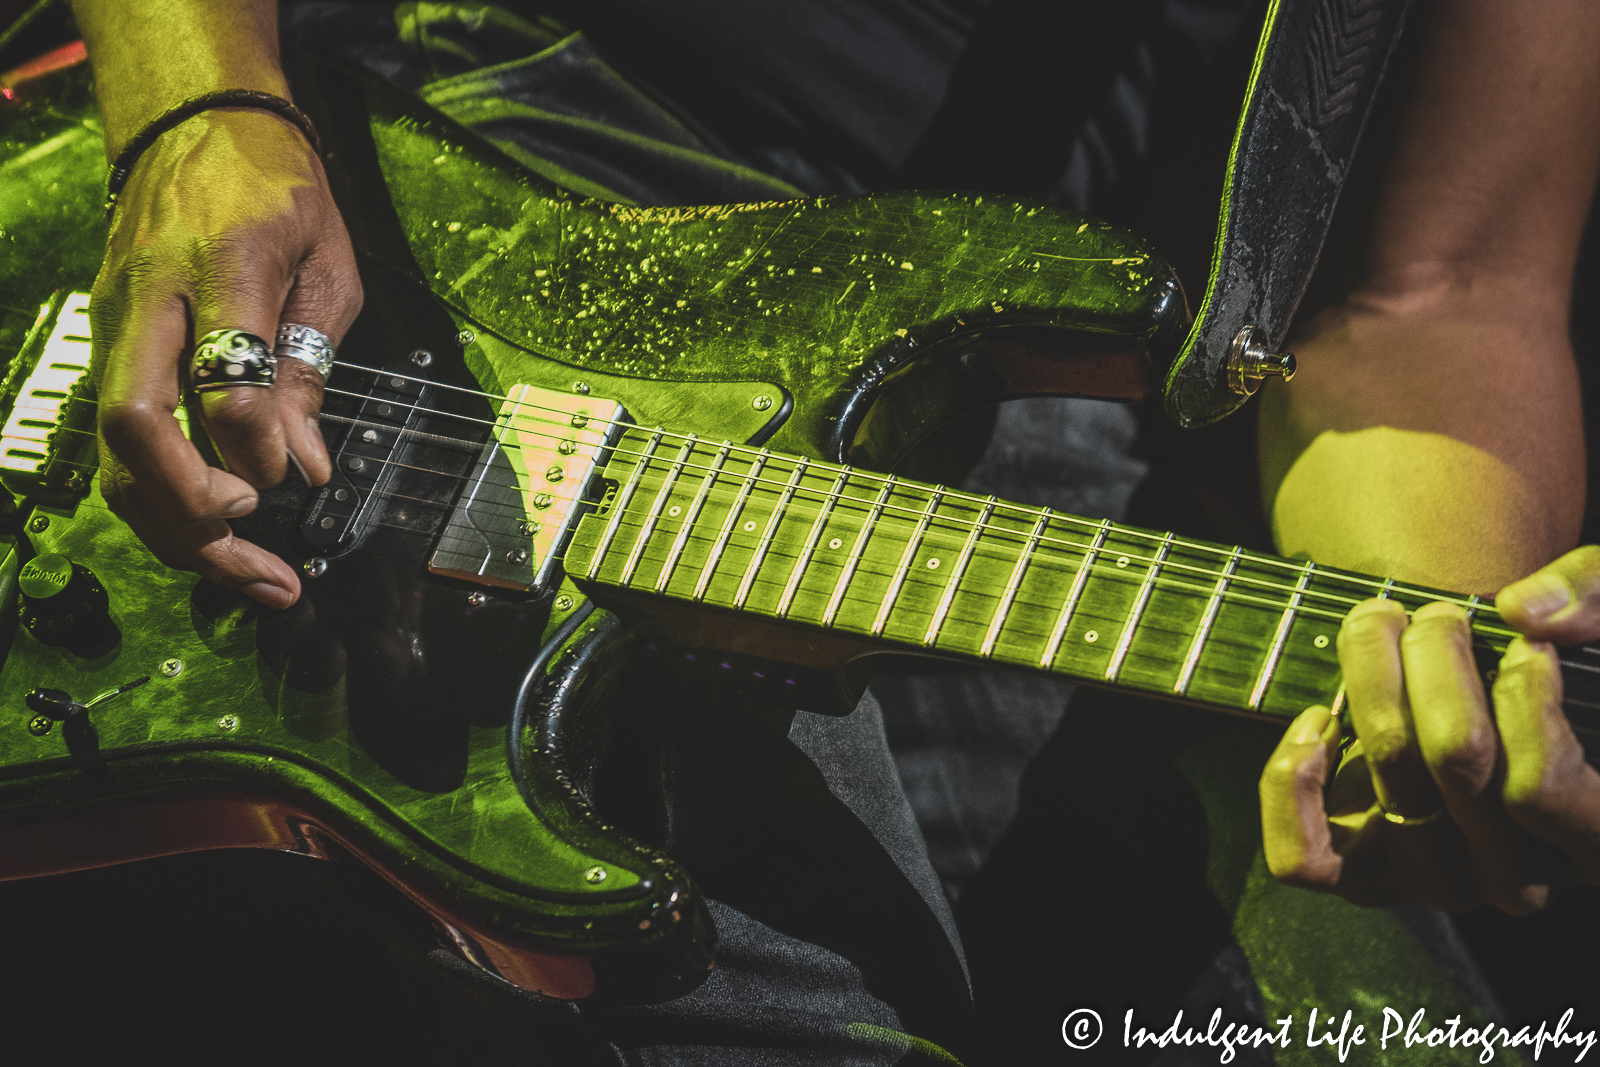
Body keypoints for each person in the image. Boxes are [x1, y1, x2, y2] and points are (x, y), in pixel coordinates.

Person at [53, 0, 1600, 1061]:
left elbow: (1430, 290)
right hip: (447, 179)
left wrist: (1445, 677)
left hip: (1005, 387)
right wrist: (200, 108)